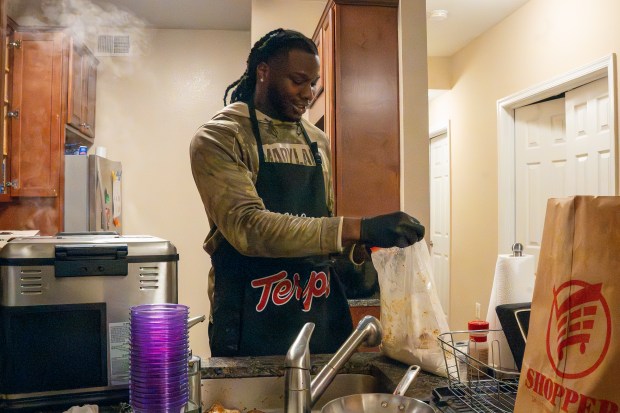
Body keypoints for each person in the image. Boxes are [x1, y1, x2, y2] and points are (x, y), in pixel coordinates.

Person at [190, 28, 425, 357]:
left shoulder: (318, 141)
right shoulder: (221, 137)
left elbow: (317, 225)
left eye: (313, 83)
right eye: (298, 80)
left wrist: (363, 248)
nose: (307, 94)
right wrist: (357, 226)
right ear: (263, 72)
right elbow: (248, 228)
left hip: (318, 312)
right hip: (249, 318)